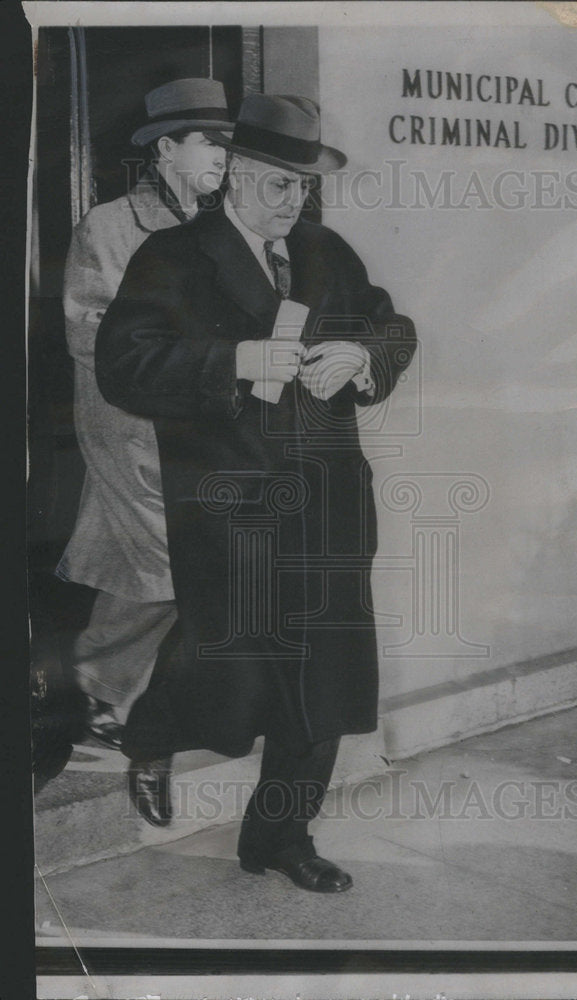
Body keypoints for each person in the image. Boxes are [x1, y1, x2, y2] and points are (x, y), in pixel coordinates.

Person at [95, 94, 416, 893]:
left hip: (331, 505)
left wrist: (361, 357)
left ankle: (279, 838)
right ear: (235, 174)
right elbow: (124, 367)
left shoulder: (325, 251)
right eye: (278, 186)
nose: (293, 203)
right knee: (227, 666)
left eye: (303, 188)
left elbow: (394, 326)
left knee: (326, 677)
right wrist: (234, 360)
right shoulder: (171, 258)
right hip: (231, 508)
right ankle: (150, 734)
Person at [55, 79, 234, 749]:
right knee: (165, 564)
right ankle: (100, 692)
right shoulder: (108, 225)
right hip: (130, 423)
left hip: (202, 422)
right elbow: (89, 328)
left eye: (227, 146)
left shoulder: (218, 230)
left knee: (163, 564)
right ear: (165, 148)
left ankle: (121, 698)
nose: (221, 157)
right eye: (208, 143)